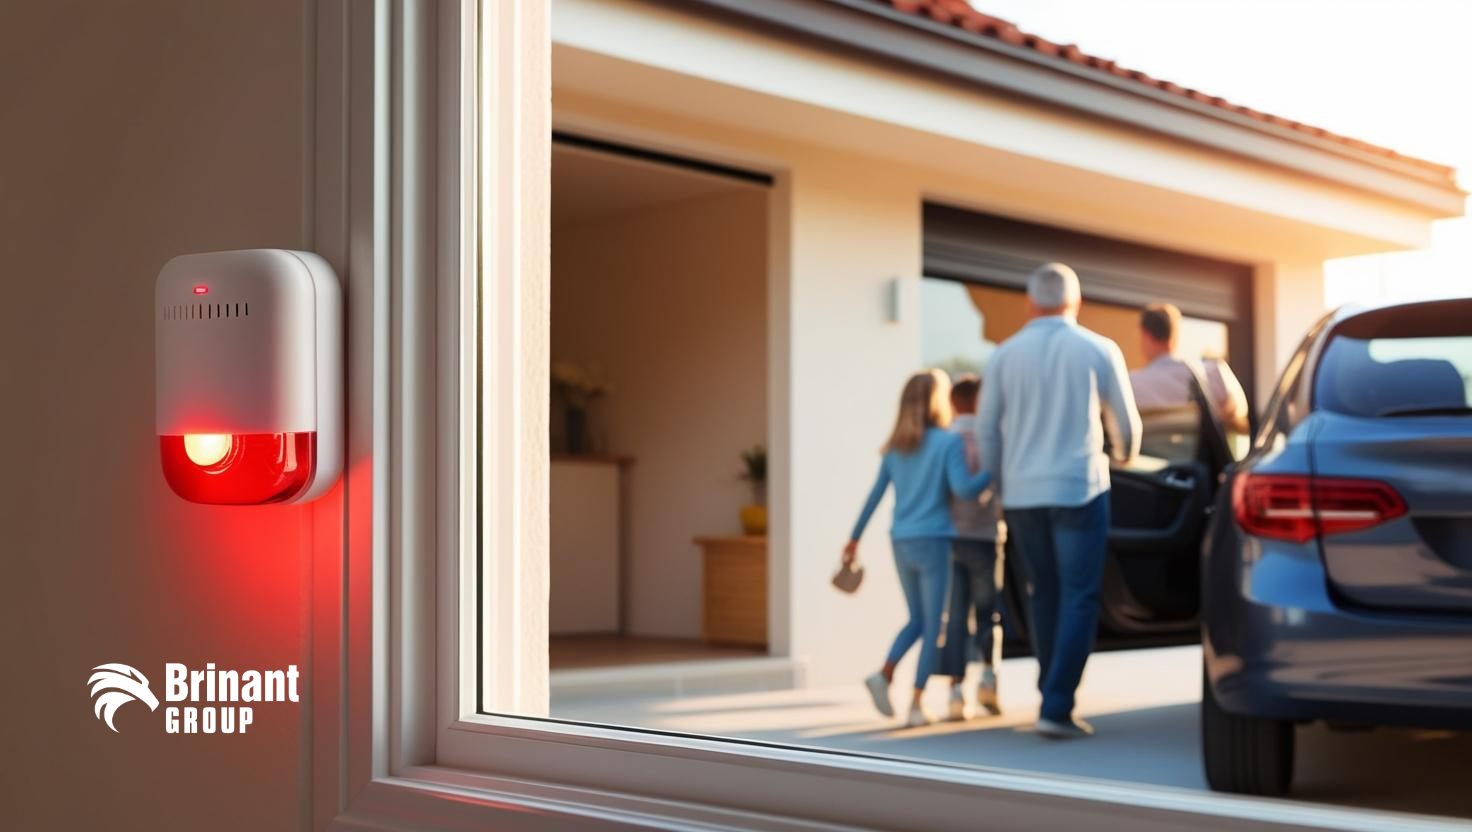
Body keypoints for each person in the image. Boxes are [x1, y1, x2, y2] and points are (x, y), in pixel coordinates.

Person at [975, 262, 1141, 739]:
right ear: (1076, 302)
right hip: (1079, 488)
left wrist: (1000, 485)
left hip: (1024, 493)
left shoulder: (1004, 355)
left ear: (1030, 303)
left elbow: (986, 429)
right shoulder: (1097, 348)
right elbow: (1126, 427)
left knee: (1041, 594)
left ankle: (1051, 693)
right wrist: (1124, 457)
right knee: (1080, 597)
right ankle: (1056, 703)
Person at [846, 370, 993, 728]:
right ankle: (915, 702)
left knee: (917, 619)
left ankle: (885, 673)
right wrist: (994, 467)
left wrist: (853, 540)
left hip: (900, 540)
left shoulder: (895, 449)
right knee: (933, 626)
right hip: (935, 541)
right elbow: (967, 490)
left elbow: (875, 496)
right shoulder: (947, 443)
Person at [937, 374, 1006, 721]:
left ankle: (955, 693)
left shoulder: (944, 439)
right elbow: (1002, 484)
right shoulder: (991, 439)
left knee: (954, 618)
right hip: (986, 537)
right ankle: (989, 680)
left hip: (949, 539)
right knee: (987, 615)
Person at [1129, 302, 1249, 434]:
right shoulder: (1213, 372)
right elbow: (1239, 414)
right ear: (1174, 335)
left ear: (1145, 335)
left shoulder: (1131, 384)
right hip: (1203, 453)